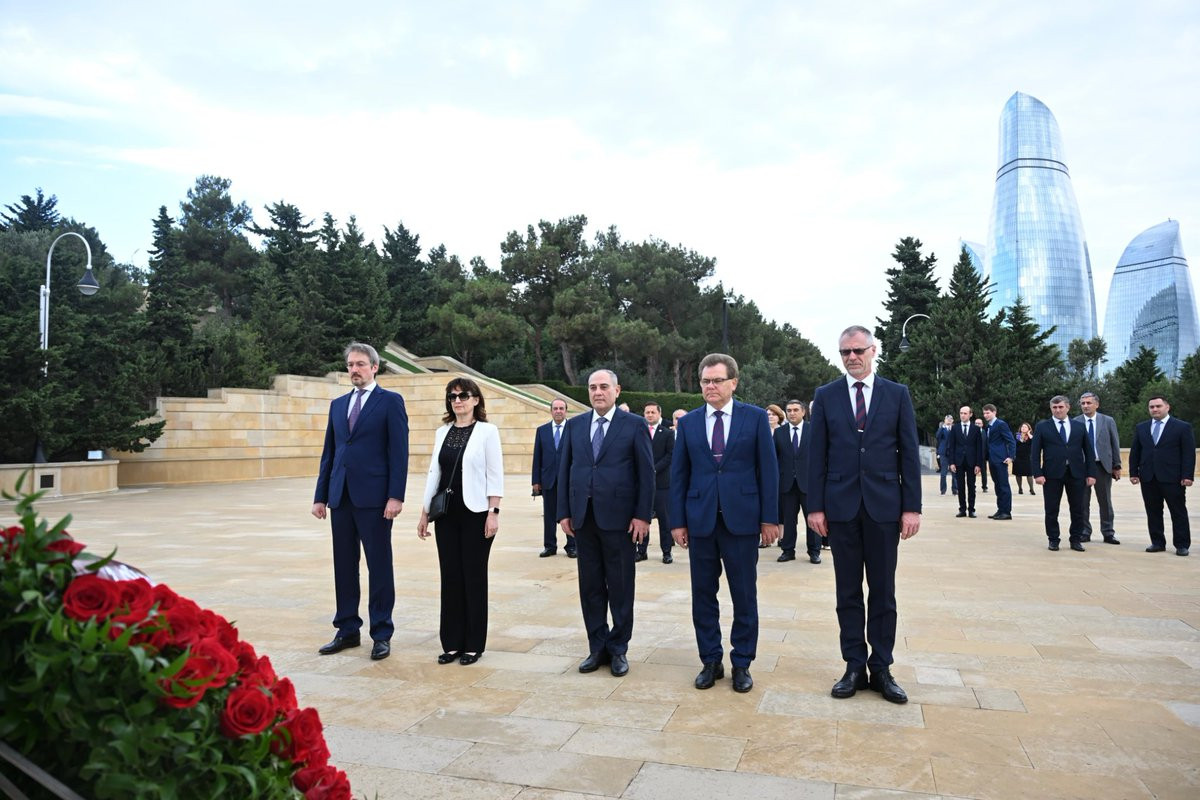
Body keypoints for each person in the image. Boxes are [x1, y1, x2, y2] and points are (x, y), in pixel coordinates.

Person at [808, 326, 921, 705]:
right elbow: (816, 455)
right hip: (840, 508)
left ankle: (882, 667)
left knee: (883, 591)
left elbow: (909, 453)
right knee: (848, 591)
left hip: (884, 507)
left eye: (858, 350)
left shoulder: (896, 394)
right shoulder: (826, 395)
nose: (852, 357)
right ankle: (854, 665)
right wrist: (815, 506)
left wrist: (912, 507)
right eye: (845, 352)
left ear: (873, 350)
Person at [670, 353, 779, 693]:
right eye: (705, 381)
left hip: (742, 520)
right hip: (700, 520)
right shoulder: (688, 423)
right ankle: (710, 660)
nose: (711, 386)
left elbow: (768, 471)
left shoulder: (755, 418)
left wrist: (770, 519)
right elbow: (679, 475)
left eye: (717, 380)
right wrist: (677, 521)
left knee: (744, 595)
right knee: (703, 595)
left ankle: (742, 662)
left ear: (734, 382)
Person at [311, 342, 409, 661]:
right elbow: (330, 453)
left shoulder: (390, 402)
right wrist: (321, 496)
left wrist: (396, 495)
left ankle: (381, 632)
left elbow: (399, 453)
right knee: (344, 566)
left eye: (360, 364)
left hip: (375, 499)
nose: (354, 369)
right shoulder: (338, 405)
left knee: (379, 566)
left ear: (374, 367)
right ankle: (347, 629)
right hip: (341, 497)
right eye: (350, 364)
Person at [557, 369, 655, 677]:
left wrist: (642, 515)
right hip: (584, 519)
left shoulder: (634, 425)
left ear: (617, 390)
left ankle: (618, 647)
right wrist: (563, 512)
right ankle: (597, 646)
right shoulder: (575, 425)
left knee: (621, 586)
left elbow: (646, 474)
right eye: (592, 387)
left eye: (603, 387)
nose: (597, 392)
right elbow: (565, 470)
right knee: (590, 586)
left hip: (620, 520)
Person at [417, 378, 504, 665]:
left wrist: (493, 512)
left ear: (476, 400)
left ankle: (473, 644)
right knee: (450, 576)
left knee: (473, 577)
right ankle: (452, 643)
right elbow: (435, 473)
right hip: (446, 513)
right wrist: (425, 512)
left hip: (476, 513)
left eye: (463, 395)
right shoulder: (442, 432)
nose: (457, 401)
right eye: (452, 396)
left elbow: (495, 473)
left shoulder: (487, 432)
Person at [1129, 395, 1195, 556]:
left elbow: (1188, 453)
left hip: (1173, 477)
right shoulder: (1142, 427)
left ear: (1167, 407)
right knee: (1153, 512)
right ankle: (1157, 542)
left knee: (1178, 511)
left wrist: (1187, 475)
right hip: (1148, 477)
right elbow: (1135, 451)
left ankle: (1182, 545)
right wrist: (1133, 473)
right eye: (1151, 407)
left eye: (1158, 406)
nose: (1155, 409)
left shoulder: (1182, 427)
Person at [1031, 395, 1097, 552]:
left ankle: (1076, 539)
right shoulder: (1043, 426)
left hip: (1076, 473)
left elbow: (1089, 452)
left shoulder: (1079, 426)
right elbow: (1034, 453)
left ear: (1068, 407)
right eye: (1054, 407)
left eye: (1061, 407)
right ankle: (1053, 539)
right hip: (1051, 474)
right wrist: (1037, 473)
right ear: (1051, 409)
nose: (1058, 410)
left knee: (1078, 508)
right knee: (1051, 509)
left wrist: (1091, 473)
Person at [774, 399, 820, 564]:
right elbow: (774, 458)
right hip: (786, 484)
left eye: (795, 410)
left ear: (803, 412)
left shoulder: (813, 429)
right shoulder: (779, 433)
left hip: (809, 483)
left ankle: (814, 551)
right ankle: (787, 551)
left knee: (812, 518)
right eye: (789, 410)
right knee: (788, 519)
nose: (792, 413)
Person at [1076, 392, 1122, 545]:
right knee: (1082, 502)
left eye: (1089, 403)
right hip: (1082, 467)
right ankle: (1084, 532)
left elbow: (1115, 443)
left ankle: (1108, 533)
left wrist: (1116, 465)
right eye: (1083, 403)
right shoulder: (1075, 422)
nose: (1085, 406)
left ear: (1097, 404)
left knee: (1105, 501)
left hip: (1102, 466)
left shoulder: (1108, 421)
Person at [532, 399, 574, 558]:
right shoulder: (541, 430)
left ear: (566, 411)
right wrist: (536, 480)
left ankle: (572, 546)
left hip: (569, 481)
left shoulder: (574, 429)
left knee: (570, 513)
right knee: (549, 515)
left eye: (561, 408)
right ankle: (549, 546)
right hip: (548, 480)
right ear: (551, 411)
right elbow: (537, 456)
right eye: (555, 408)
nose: (558, 411)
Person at [639, 401, 675, 564]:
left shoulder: (667, 433)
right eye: (647, 412)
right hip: (642, 484)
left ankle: (666, 552)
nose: (650, 415)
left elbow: (670, 455)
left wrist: (654, 469)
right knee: (642, 517)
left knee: (664, 520)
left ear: (659, 414)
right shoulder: (639, 432)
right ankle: (641, 551)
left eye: (653, 412)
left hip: (661, 483)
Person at [948, 406, 985, 518]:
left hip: (971, 462)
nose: (962, 415)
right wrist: (951, 462)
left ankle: (971, 510)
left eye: (965, 413)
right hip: (958, 461)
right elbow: (951, 446)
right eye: (961, 413)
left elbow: (979, 448)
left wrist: (978, 464)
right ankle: (962, 509)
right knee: (960, 486)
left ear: (970, 414)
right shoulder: (955, 428)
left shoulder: (976, 429)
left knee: (971, 486)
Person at [982, 404, 1016, 520]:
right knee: (997, 485)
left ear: (994, 412)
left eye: (988, 413)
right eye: (984, 413)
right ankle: (1000, 509)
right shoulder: (988, 426)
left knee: (1003, 485)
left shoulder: (1001, 424)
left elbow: (1011, 441)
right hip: (992, 459)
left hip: (1001, 459)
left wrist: (1011, 456)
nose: (985, 415)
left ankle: (1006, 512)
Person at [935, 415, 955, 496]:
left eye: (950, 419)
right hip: (943, 453)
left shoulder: (954, 428)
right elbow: (937, 436)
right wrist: (943, 427)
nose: (949, 420)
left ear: (953, 420)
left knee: (954, 472)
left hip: (953, 453)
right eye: (947, 419)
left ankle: (955, 490)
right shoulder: (942, 429)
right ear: (945, 420)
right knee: (943, 472)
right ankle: (943, 490)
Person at [1013, 422, 1035, 495]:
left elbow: (1034, 442)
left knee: (1029, 474)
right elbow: (1021, 441)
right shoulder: (1017, 435)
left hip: (1028, 457)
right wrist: (1023, 435)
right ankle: (1020, 488)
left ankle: (1031, 489)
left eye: (1025, 427)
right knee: (1018, 473)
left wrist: (1029, 434)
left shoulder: (1031, 436)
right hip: (1018, 457)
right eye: (1022, 427)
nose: (1023, 428)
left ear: (1029, 429)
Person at [976, 418, 989, 493]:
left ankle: (984, 487)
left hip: (983, 456)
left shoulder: (985, 432)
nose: (977, 425)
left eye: (979, 423)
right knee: (972, 473)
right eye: (976, 423)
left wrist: (987, 456)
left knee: (984, 473)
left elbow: (987, 444)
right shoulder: (971, 432)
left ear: (982, 424)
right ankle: (972, 487)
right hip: (973, 457)